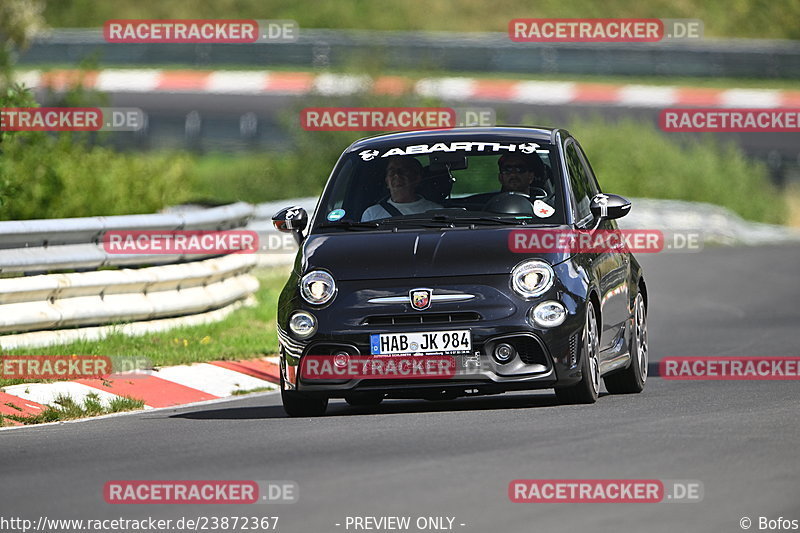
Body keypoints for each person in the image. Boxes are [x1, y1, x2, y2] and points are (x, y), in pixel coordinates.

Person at [361, 157, 441, 221]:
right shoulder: (371, 214)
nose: (397, 175)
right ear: (386, 181)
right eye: (392, 172)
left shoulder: (436, 211)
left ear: (417, 178)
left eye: (403, 171)